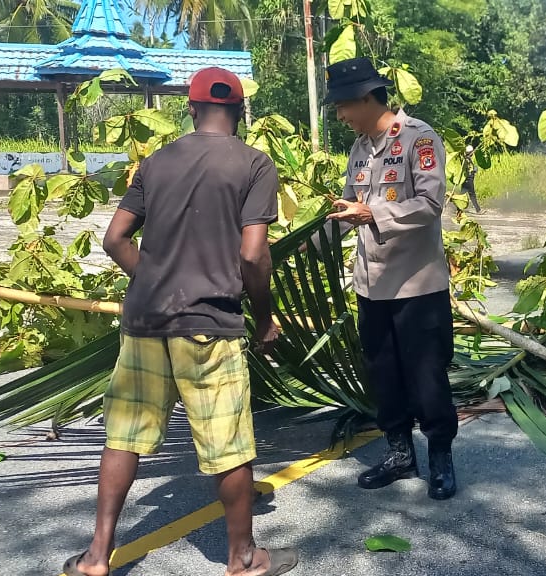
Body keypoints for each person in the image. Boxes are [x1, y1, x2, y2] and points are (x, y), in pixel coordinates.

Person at [64, 68, 297, 576]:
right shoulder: (255, 165)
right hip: (209, 324)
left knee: (124, 435)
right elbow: (254, 255)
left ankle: (96, 557)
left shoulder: (156, 162)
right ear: (240, 112)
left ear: (190, 109)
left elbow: (114, 240)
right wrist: (263, 318)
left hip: (145, 322)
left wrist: (156, 283)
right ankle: (241, 558)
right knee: (227, 442)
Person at [324, 57, 459, 500]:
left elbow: (429, 206)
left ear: (367, 97)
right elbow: (348, 207)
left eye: (344, 105)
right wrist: (312, 238)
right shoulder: (360, 148)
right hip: (371, 285)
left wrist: (373, 212)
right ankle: (400, 454)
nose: (341, 116)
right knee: (383, 374)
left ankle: (440, 456)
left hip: (417, 286)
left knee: (427, 376)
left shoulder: (419, 138)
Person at [461, 145, 482, 214]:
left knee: (462, 194)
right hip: (468, 178)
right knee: (472, 194)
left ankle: (459, 209)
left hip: (467, 178)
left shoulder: (468, 158)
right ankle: (478, 210)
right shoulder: (466, 159)